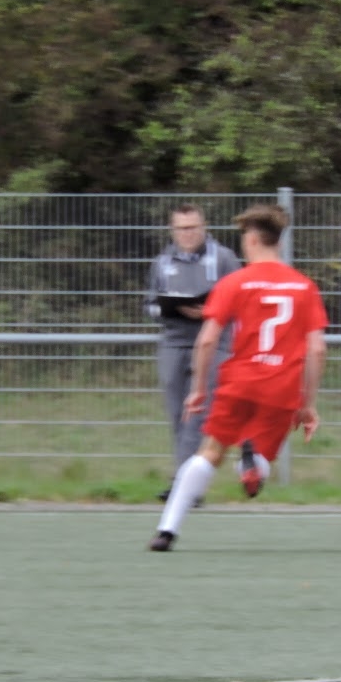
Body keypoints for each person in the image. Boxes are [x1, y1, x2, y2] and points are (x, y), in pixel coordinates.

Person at [148, 203, 329, 552]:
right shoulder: (304, 287)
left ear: (251, 240)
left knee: (210, 452)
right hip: (282, 387)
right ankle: (251, 464)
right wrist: (307, 404)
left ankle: (166, 530)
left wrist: (198, 390)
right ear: (279, 241)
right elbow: (318, 349)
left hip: (240, 381)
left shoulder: (235, 282)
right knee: (262, 457)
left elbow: (207, 340)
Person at [144, 203, 241, 502]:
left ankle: (184, 485)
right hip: (173, 343)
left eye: (193, 228)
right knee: (177, 413)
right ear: (172, 230)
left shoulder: (223, 258)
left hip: (213, 345)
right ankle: (188, 485)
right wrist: (174, 309)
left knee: (198, 415)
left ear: (204, 226)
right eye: (181, 229)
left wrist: (211, 310)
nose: (187, 234)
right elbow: (149, 305)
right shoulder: (162, 262)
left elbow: (241, 299)